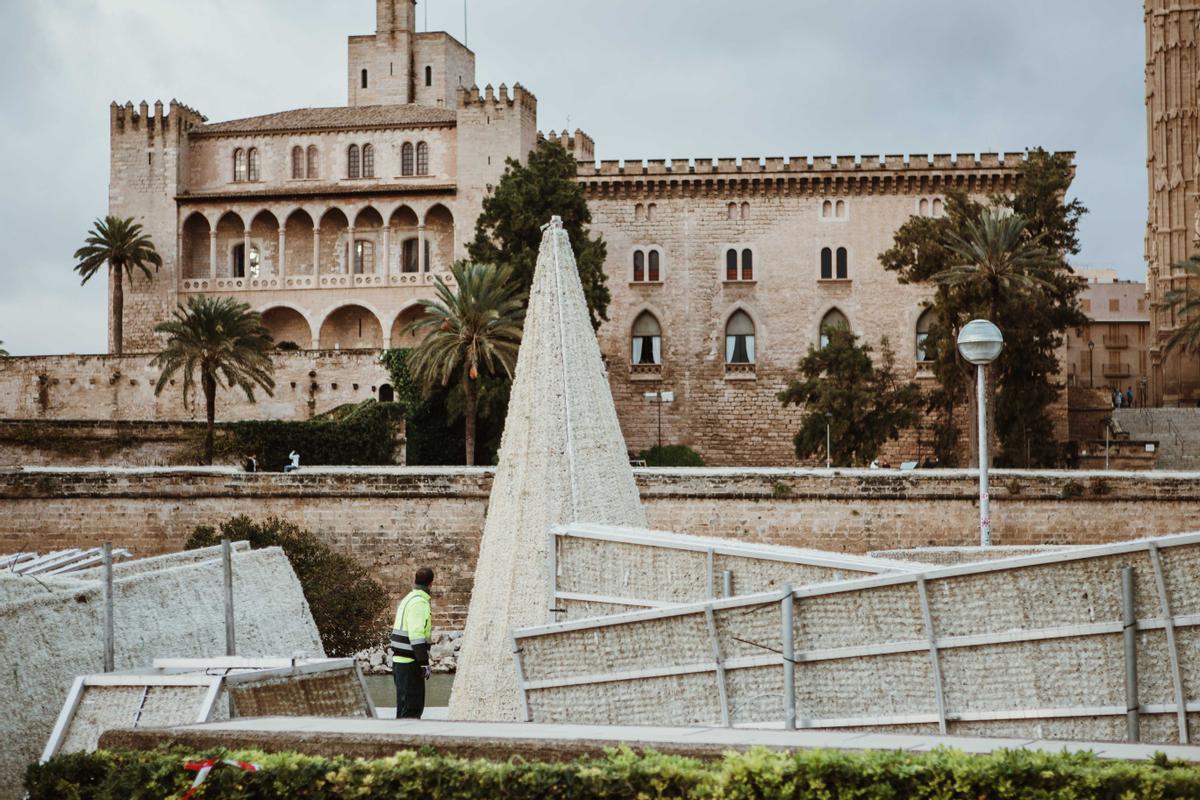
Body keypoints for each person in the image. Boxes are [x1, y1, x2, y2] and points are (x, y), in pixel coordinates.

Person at [390, 567, 433, 719]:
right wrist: (423, 663)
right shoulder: (420, 603)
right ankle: (409, 741)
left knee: (403, 708)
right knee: (412, 709)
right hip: (410, 664)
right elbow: (416, 636)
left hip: (399, 661)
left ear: (415, 581)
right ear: (431, 584)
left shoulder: (408, 599)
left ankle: (399, 740)